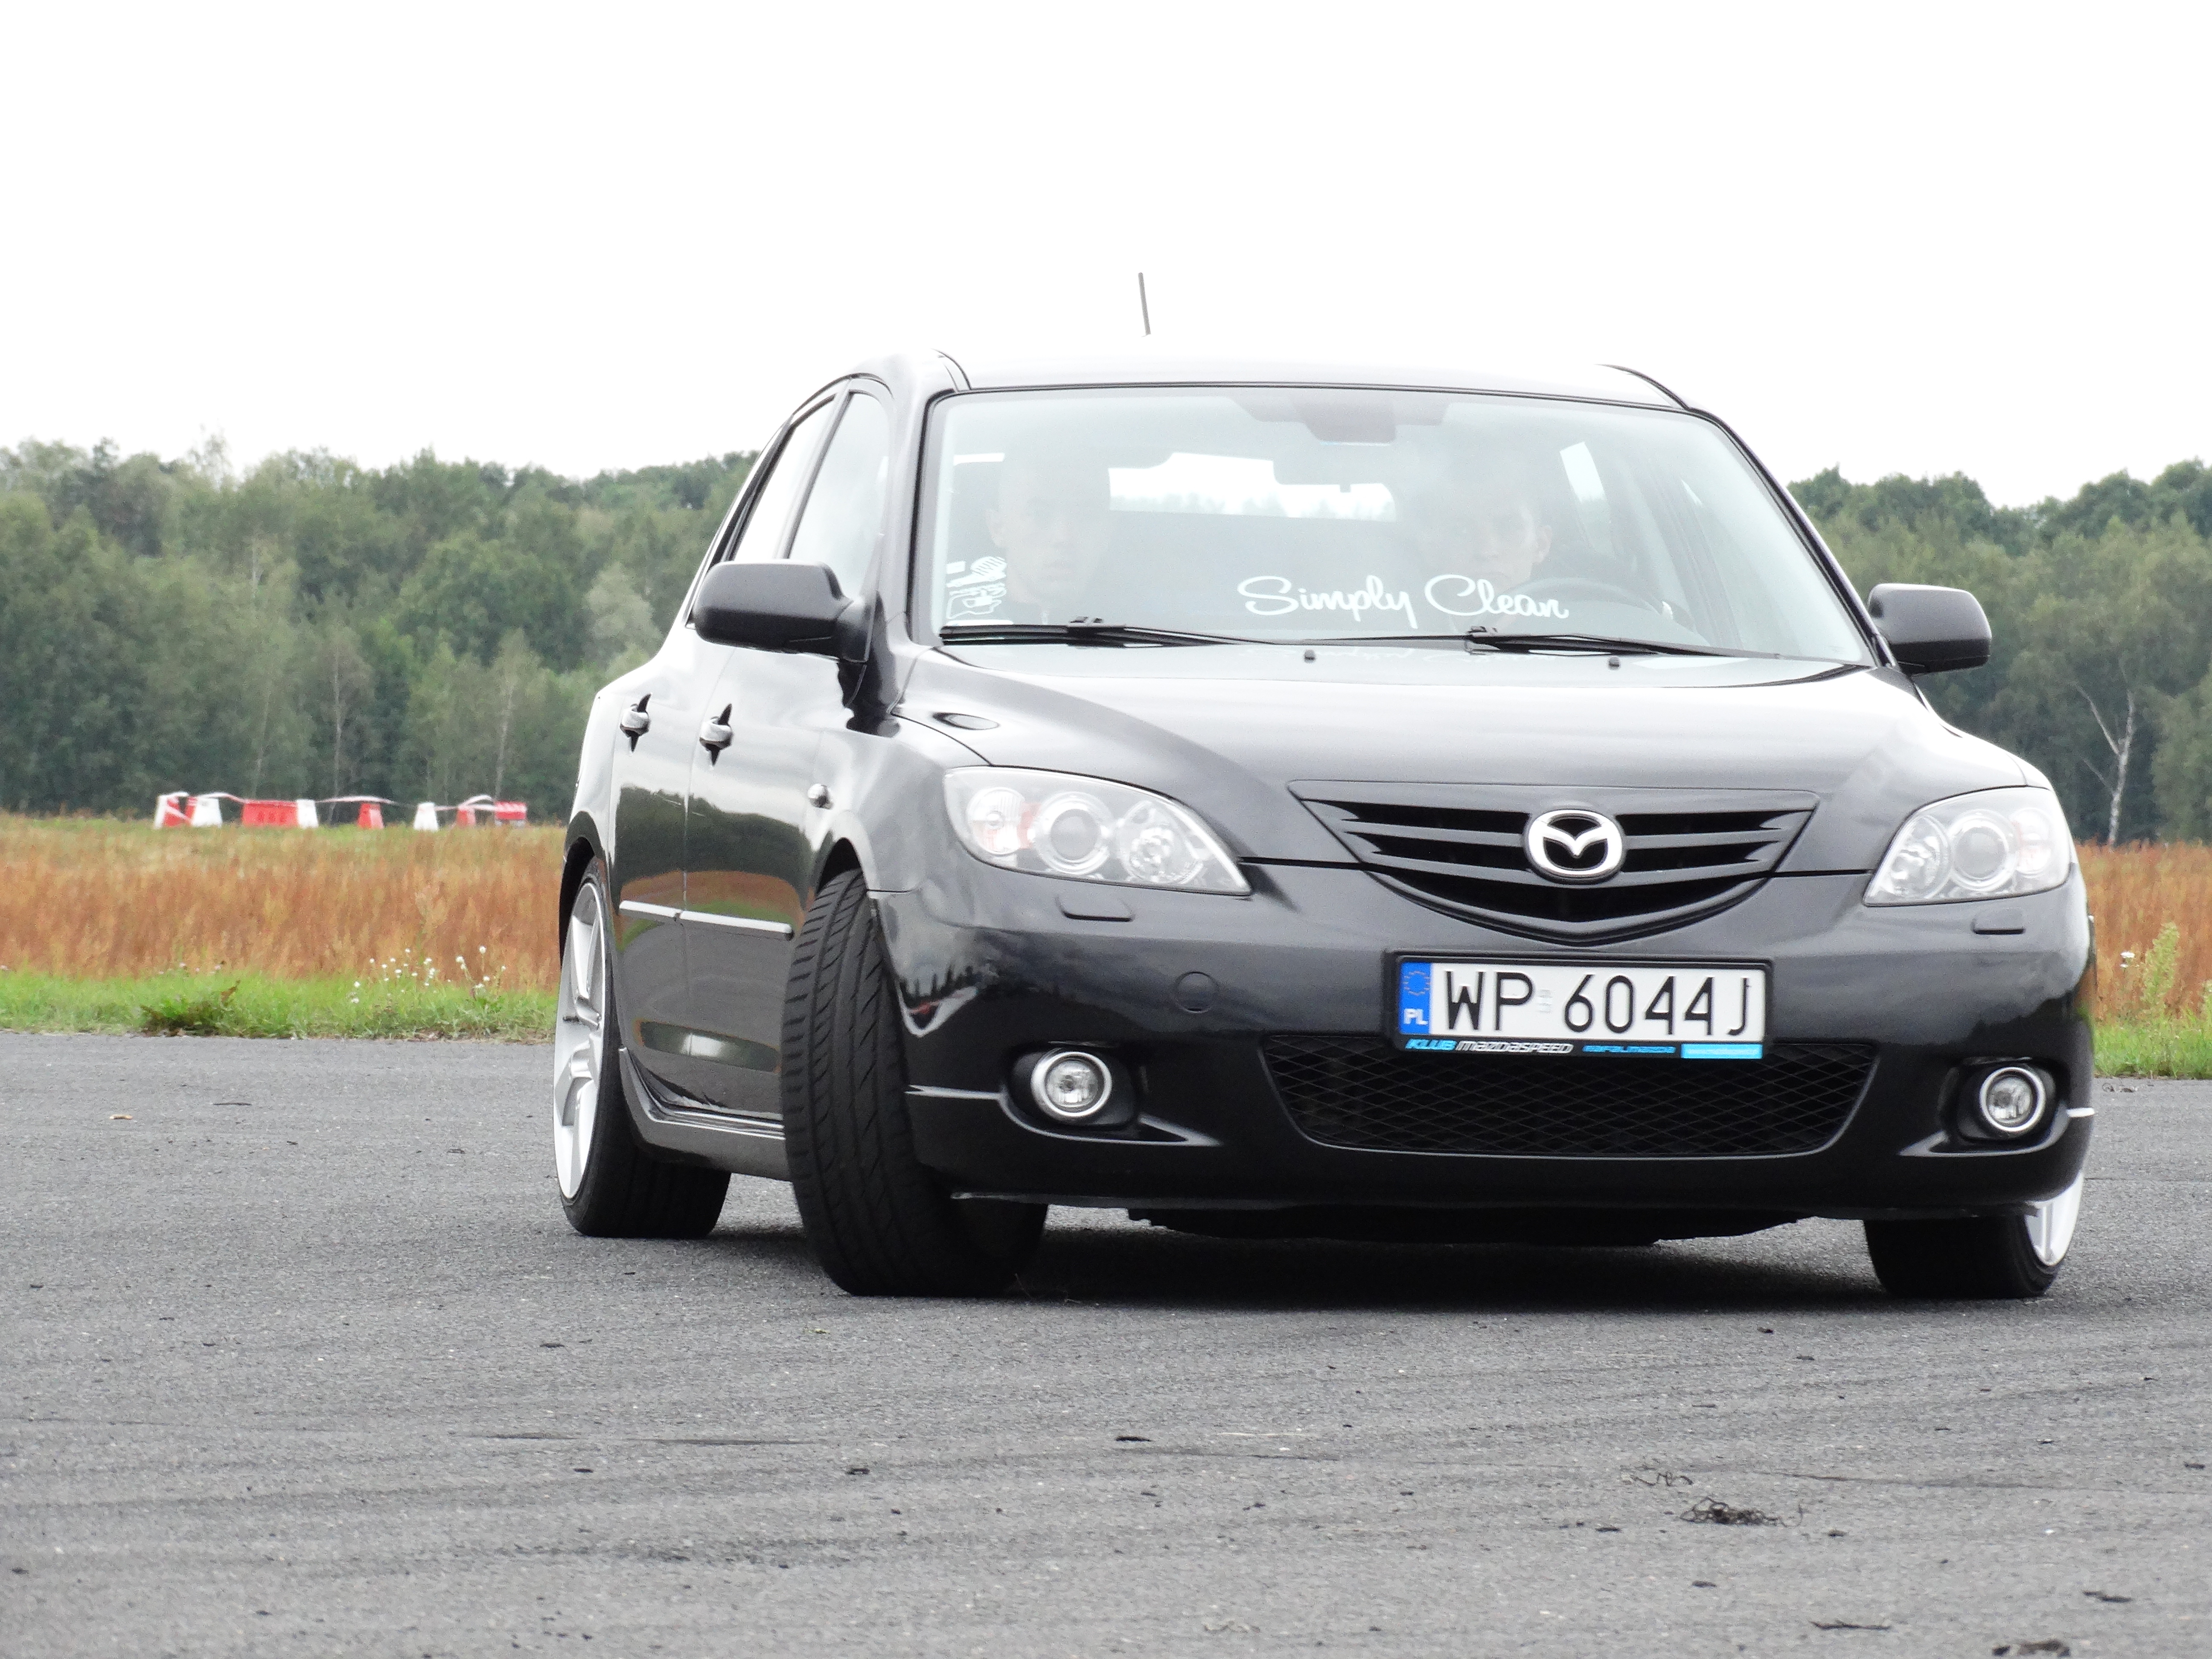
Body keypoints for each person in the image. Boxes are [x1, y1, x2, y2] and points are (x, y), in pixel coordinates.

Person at [966, 448, 1115, 623]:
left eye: (1085, 516)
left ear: (1108, 532)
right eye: (1040, 514)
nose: (1064, 537)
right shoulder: (953, 624)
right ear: (998, 528)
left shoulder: (1141, 623)